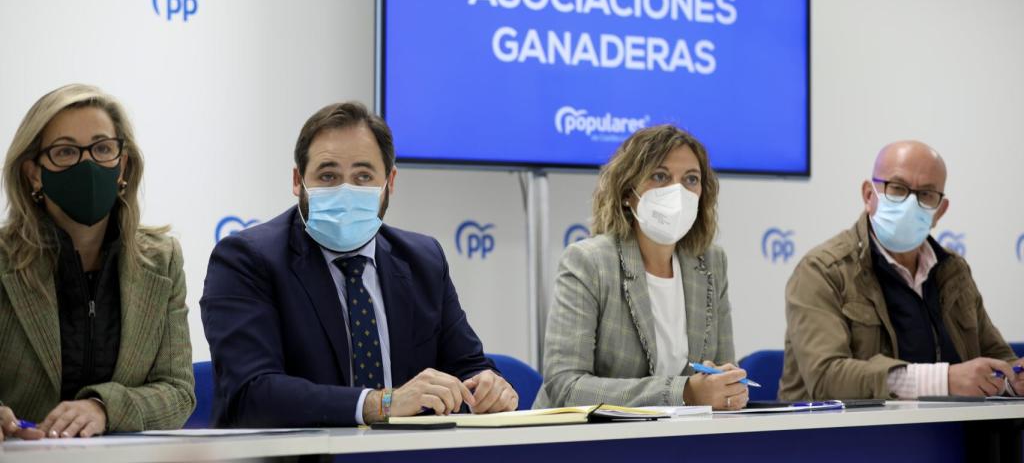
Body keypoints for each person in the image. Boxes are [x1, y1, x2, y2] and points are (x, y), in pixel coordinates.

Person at [201, 101, 517, 427]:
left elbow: (467, 364)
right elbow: (251, 393)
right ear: (298, 181)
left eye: (363, 176)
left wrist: (488, 384)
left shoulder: (423, 259)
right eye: (328, 175)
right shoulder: (246, 260)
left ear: (389, 183)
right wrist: (380, 403)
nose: (346, 190)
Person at [0, 84, 195, 441]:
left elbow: (178, 393)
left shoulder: (162, 260)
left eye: (103, 148)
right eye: (66, 152)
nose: (87, 164)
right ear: (34, 173)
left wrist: (103, 407)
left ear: (122, 164)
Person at [780, 140, 1023, 400]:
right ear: (868, 194)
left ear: (940, 211)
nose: (910, 203)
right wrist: (943, 381)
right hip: (845, 437)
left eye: (926, 194)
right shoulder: (822, 271)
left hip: (948, 435)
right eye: (897, 188)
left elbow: (999, 361)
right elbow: (826, 377)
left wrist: (1015, 380)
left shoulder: (953, 270)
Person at [535, 125, 747, 410]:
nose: (677, 191)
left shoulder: (710, 262)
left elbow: (724, 370)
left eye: (691, 179)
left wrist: (727, 387)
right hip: (589, 442)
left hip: (678, 443)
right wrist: (683, 392)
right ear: (627, 191)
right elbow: (566, 386)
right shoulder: (589, 262)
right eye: (660, 176)